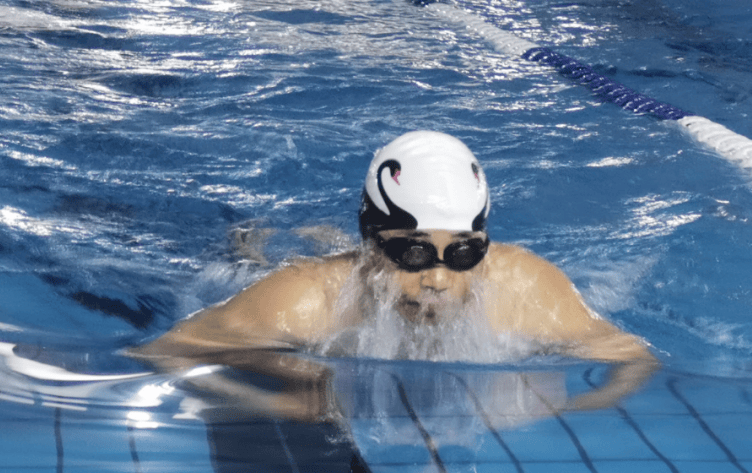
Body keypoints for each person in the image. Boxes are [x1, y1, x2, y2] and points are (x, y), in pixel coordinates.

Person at [130, 131, 658, 420]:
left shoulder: (526, 290)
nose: (438, 279)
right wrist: (289, 394)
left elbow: (633, 360)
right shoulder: (302, 301)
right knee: (252, 258)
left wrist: (558, 407)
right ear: (371, 243)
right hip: (279, 279)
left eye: (463, 253)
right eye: (412, 252)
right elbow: (164, 351)